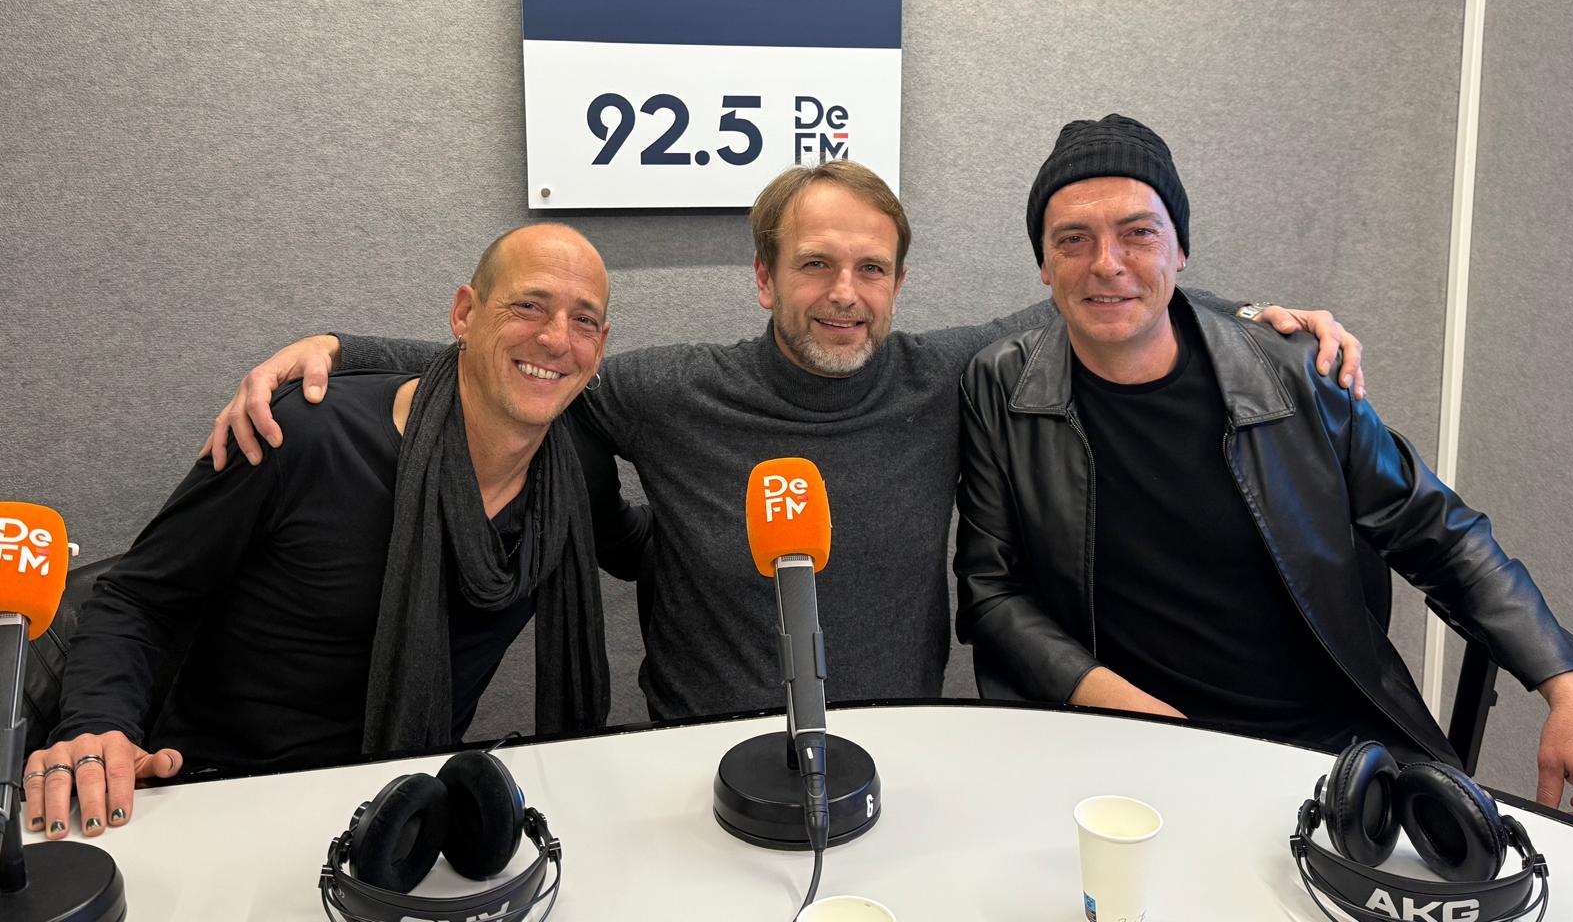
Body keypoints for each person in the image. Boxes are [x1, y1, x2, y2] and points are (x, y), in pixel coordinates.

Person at [205, 161, 1365, 722]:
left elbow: (1100, 294)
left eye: (869, 269)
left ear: (897, 282)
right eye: (814, 266)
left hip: (897, 757)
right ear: (764, 278)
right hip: (692, 763)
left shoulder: (948, 376)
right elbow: (530, 362)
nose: (842, 294)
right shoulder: (668, 392)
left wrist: (1257, 318)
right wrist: (344, 347)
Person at [954, 113, 1573, 821]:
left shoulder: (1297, 371)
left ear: (1181, 250)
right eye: (1072, 239)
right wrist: (1114, 700)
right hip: (1126, 752)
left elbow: (1438, 533)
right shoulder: (1000, 387)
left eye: (1139, 233)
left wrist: (1568, 685)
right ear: (1044, 265)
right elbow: (993, 591)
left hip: (1328, 750)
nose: (1107, 262)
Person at [24, 224, 615, 839]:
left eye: (583, 321)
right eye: (528, 305)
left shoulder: (574, 479)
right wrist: (96, 725)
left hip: (400, 818)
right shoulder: (301, 436)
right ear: (464, 313)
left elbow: (644, 544)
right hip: (218, 800)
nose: (555, 339)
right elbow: (137, 596)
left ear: (599, 347)